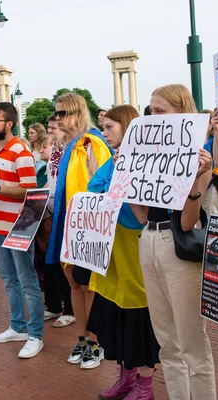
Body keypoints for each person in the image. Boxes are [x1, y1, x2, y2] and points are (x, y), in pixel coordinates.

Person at [133, 84, 217, 400]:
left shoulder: (200, 158)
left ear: (181, 113)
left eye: (160, 111)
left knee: (191, 341)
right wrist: (127, 174)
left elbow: (186, 221)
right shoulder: (147, 154)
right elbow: (141, 215)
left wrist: (196, 179)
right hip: (149, 239)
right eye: (151, 111)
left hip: (176, 244)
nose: (153, 117)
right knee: (166, 340)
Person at [86, 105, 160, 396]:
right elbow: (96, 188)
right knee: (116, 312)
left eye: (109, 127)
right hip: (112, 247)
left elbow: (136, 201)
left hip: (133, 245)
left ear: (127, 128)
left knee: (139, 315)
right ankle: (126, 376)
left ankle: (145, 384)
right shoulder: (112, 160)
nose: (104, 133)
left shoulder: (145, 160)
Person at [45, 93, 113, 367]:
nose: (57, 118)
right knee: (73, 282)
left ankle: (97, 342)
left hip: (89, 226)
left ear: (77, 113)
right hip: (68, 223)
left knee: (89, 285)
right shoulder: (69, 144)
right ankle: (83, 337)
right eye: (56, 113)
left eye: (62, 113)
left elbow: (103, 185)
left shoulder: (93, 142)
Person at [0, 102, 43, 359]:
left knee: (27, 281)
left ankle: (35, 335)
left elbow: (30, 190)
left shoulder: (20, 151)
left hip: (21, 225)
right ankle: (18, 326)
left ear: (9, 124)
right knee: (8, 279)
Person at [42, 111, 75, 328]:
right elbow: (51, 181)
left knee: (67, 264)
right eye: (51, 126)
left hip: (66, 211)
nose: (53, 129)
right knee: (51, 261)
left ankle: (70, 309)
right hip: (51, 210)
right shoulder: (55, 151)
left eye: (55, 126)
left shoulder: (73, 148)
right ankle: (54, 305)